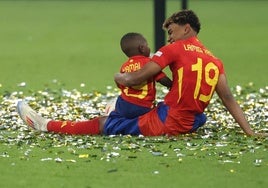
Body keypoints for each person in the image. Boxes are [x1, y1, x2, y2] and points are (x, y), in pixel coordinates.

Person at [17, 9, 266, 137]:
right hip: (193, 120)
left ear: (186, 28)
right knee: (152, 109)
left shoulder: (173, 49)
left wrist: (119, 77)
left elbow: (136, 78)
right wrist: (249, 131)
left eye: (172, 31)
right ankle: (118, 108)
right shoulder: (215, 60)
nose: (169, 36)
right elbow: (228, 99)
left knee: (106, 124)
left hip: (168, 122)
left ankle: (45, 125)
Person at [112, 32, 171, 118]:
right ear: (142, 48)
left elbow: (120, 84)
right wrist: (171, 84)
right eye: (147, 45)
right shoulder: (148, 63)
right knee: (157, 112)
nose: (149, 48)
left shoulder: (124, 66)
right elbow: (162, 79)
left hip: (123, 105)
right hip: (142, 106)